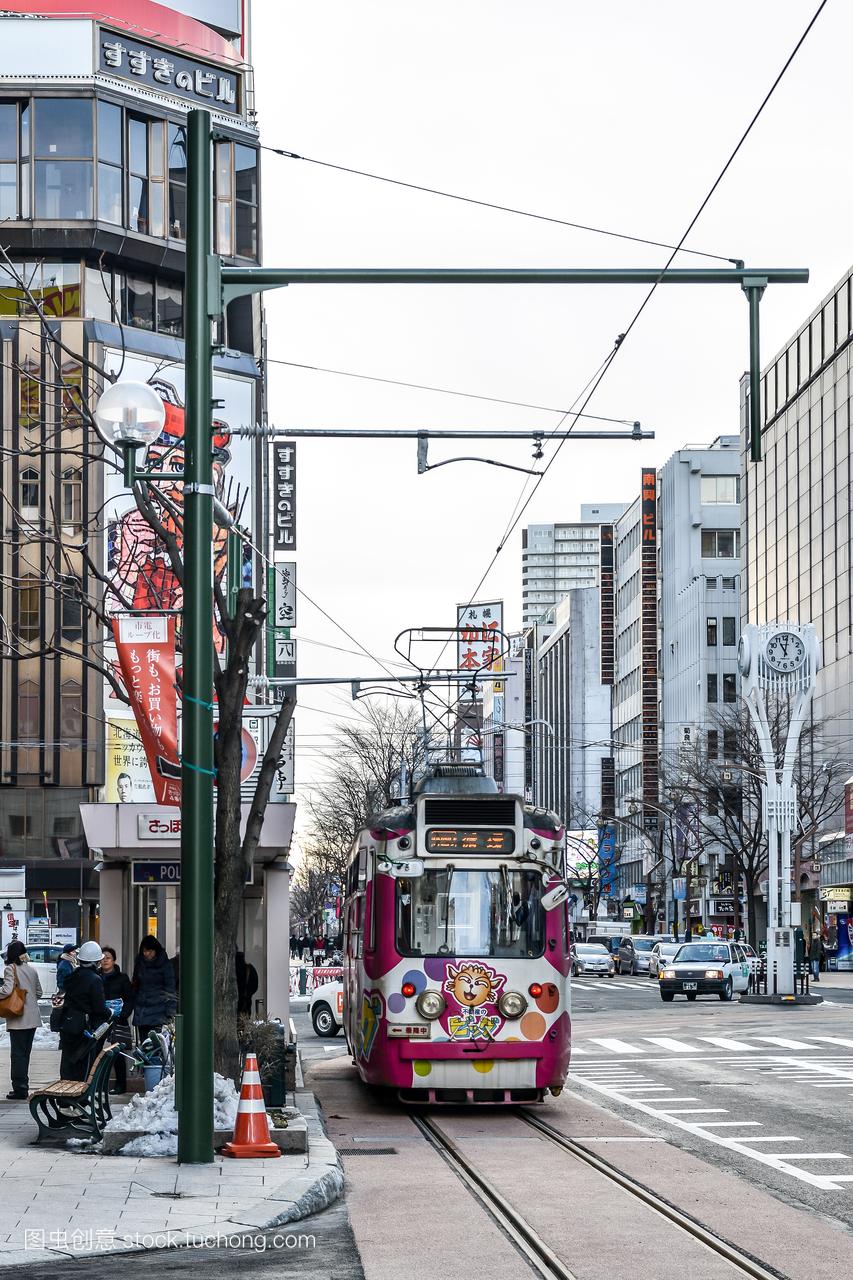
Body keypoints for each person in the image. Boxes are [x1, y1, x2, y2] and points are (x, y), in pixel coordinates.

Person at [59, 941, 109, 1082]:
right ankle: (78, 1094)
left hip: (68, 1024)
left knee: (67, 1060)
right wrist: (109, 1012)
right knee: (82, 1062)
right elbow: (99, 1008)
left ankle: (64, 1094)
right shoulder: (94, 980)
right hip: (83, 1027)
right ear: (96, 962)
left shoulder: (73, 975)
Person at [1, 941, 43, 1099]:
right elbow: (39, 992)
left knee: (18, 1055)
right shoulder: (32, 969)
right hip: (32, 1019)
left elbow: (6, 990)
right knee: (25, 1053)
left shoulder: (10, 969)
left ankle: (20, 1089)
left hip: (19, 1018)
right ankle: (23, 1085)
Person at [100, 947, 134, 1095]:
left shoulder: (122, 978)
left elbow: (130, 999)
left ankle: (121, 1084)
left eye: (108, 957)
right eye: (102, 957)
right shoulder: (96, 977)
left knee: (118, 1054)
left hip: (118, 1020)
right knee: (98, 1053)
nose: (105, 960)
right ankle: (99, 1084)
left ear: (114, 960)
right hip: (100, 1020)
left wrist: (123, 1015)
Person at [131, 934, 177, 1043]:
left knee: (155, 1047)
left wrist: (170, 1014)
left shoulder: (165, 966)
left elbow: (170, 990)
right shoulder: (140, 963)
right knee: (145, 1046)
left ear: (155, 951)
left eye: (149, 951)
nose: (146, 954)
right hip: (143, 1011)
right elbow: (135, 984)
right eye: (144, 951)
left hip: (157, 1013)